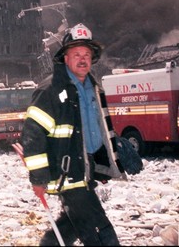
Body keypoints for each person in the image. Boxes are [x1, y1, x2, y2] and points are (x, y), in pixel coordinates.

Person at [21, 23, 124, 246]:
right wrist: (38, 177)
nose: (82, 59)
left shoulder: (94, 88)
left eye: (87, 54)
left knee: (69, 226)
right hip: (66, 174)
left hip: (84, 171)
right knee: (99, 231)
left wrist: (105, 163)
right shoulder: (50, 90)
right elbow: (32, 135)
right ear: (65, 58)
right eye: (76, 54)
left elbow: (94, 131)